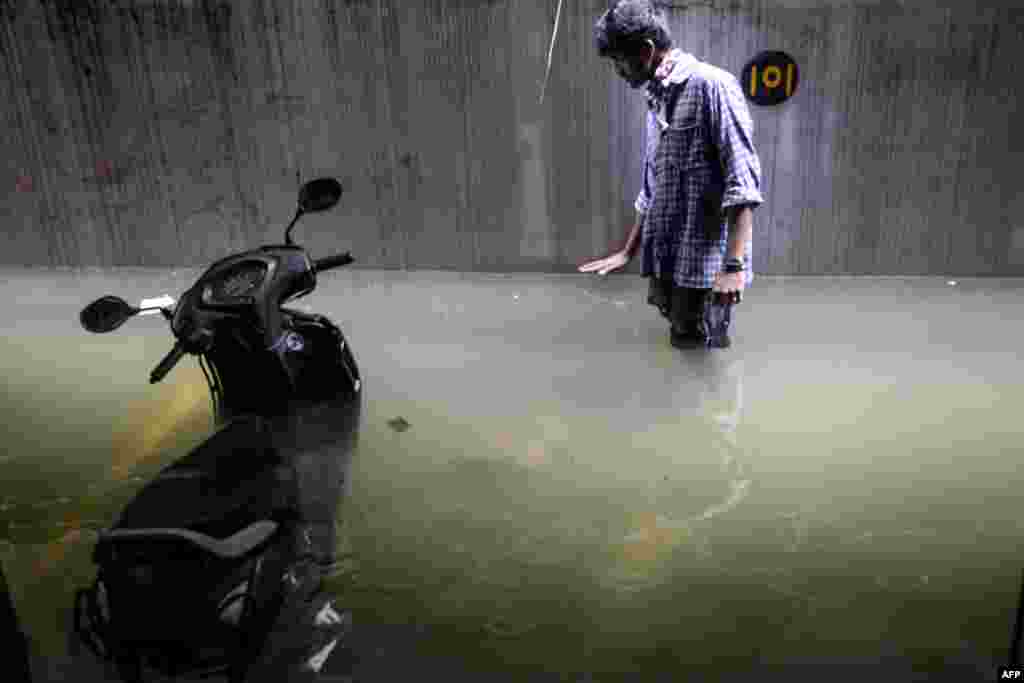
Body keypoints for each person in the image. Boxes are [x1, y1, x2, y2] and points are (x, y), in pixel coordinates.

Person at [579, 0, 764, 350]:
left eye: (619, 59)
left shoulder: (713, 86)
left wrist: (734, 267)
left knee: (704, 356)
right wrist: (627, 251)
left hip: (706, 271)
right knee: (681, 341)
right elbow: (652, 190)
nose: (617, 69)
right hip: (669, 259)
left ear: (646, 51)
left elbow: (743, 184)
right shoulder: (657, 98)